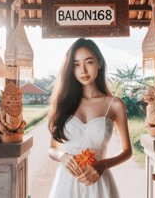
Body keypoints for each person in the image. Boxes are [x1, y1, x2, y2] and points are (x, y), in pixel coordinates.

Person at [48, 38, 132, 198]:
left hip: (98, 182)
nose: (83, 71)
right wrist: (62, 156)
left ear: (99, 63)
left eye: (89, 62)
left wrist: (102, 165)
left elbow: (127, 151)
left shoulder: (115, 105)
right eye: (76, 64)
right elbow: (52, 149)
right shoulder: (62, 103)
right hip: (66, 184)